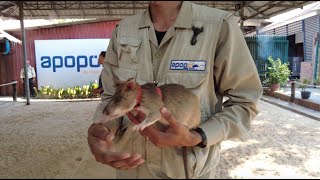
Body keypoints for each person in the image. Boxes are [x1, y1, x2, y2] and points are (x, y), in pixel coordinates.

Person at [87, 1, 263, 179]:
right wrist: (103, 128)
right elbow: (111, 97)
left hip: (189, 171)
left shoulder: (220, 25)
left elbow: (245, 103)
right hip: (132, 169)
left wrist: (197, 136)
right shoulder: (123, 30)